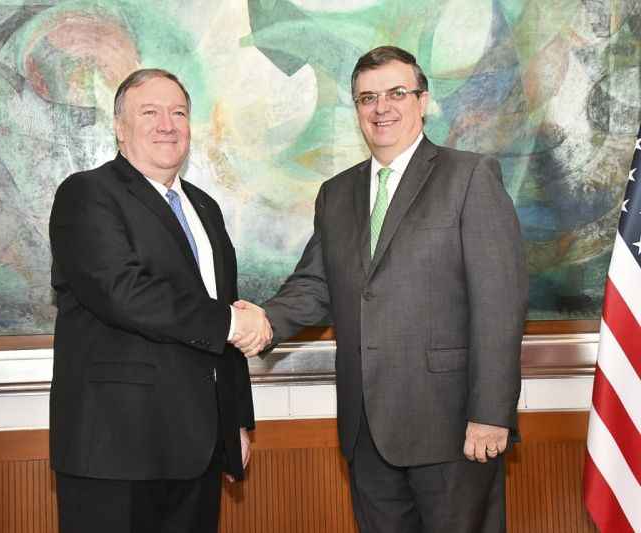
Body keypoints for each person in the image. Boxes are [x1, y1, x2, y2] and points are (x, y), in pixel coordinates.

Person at [235, 46, 528, 532]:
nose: (381, 107)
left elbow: (500, 304)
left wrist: (491, 413)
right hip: (365, 430)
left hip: (453, 427)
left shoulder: (469, 176)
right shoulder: (337, 193)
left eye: (396, 93)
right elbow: (314, 284)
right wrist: (260, 322)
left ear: (423, 100)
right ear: (356, 109)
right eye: (366, 97)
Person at [49, 68, 270, 533]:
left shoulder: (204, 207)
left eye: (178, 112)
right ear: (119, 127)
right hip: (115, 450)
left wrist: (236, 422)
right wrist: (230, 323)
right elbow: (123, 293)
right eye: (149, 112)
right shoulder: (87, 194)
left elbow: (220, 311)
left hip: (198, 448)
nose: (166, 124)